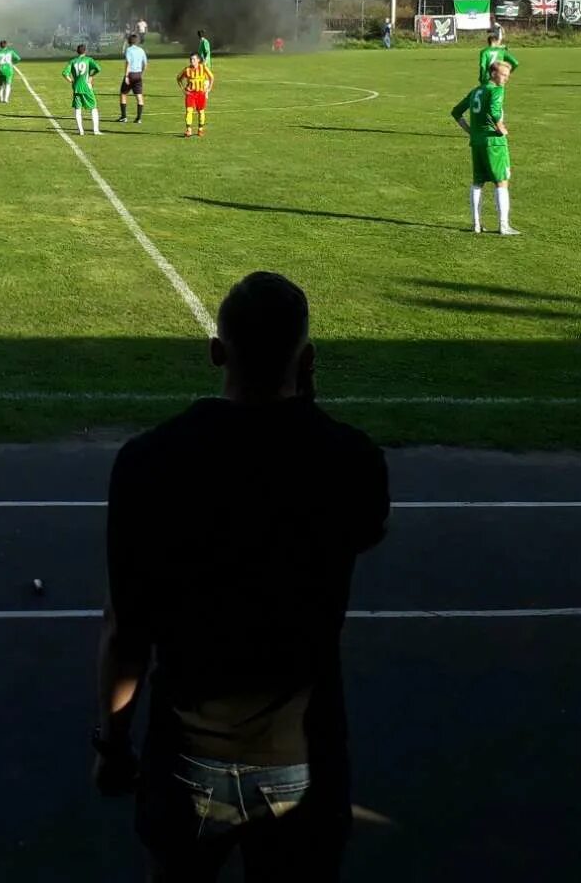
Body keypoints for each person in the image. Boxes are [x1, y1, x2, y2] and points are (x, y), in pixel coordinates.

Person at [94, 271, 389, 883]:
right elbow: (360, 528)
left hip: (186, 758)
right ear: (307, 358)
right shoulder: (352, 460)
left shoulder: (147, 462)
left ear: (215, 352)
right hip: (305, 761)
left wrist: (113, 746)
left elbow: (127, 632)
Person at [453, 60, 516, 235]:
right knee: (501, 181)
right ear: (493, 73)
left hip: (477, 142)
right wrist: (499, 127)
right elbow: (494, 110)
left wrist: (470, 131)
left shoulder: (476, 91)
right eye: (503, 75)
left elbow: (456, 111)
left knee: (477, 183)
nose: (505, 79)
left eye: (507, 76)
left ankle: (476, 224)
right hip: (493, 142)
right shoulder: (496, 90)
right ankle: (504, 226)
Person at [65, 42, 102, 136]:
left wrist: (71, 81)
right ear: (85, 51)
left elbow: (64, 73)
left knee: (78, 109)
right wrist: (91, 75)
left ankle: (80, 131)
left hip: (76, 88)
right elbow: (98, 68)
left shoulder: (72, 61)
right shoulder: (88, 60)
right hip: (86, 87)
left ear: (77, 52)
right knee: (93, 107)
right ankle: (96, 130)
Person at [177, 53, 215, 138]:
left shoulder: (203, 67)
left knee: (201, 111)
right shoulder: (187, 69)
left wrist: (208, 89)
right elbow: (178, 78)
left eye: (194, 59)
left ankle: (200, 129)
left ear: (198, 60)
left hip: (201, 93)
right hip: (190, 93)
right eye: (191, 59)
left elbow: (211, 77)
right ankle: (188, 130)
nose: (192, 61)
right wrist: (183, 90)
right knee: (189, 110)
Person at [117, 33, 148, 124]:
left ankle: (124, 117)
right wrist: (141, 73)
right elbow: (145, 64)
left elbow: (128, 63)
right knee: (139, 95)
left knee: (123, 94)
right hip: (138, 74)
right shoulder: (141, 50)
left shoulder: (129, 50)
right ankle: (138, 118)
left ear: (128, 41)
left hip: (130, 74)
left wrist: (126, 76)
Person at [0, 39, 20, 104]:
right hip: (9, 69)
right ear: (6, 45)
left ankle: (0, 99)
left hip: (1, 69)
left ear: (0, 45)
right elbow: (18, 58)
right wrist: (13, 63)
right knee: (8, 84)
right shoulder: (11, 51)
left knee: (0, 85)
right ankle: (6, 99)